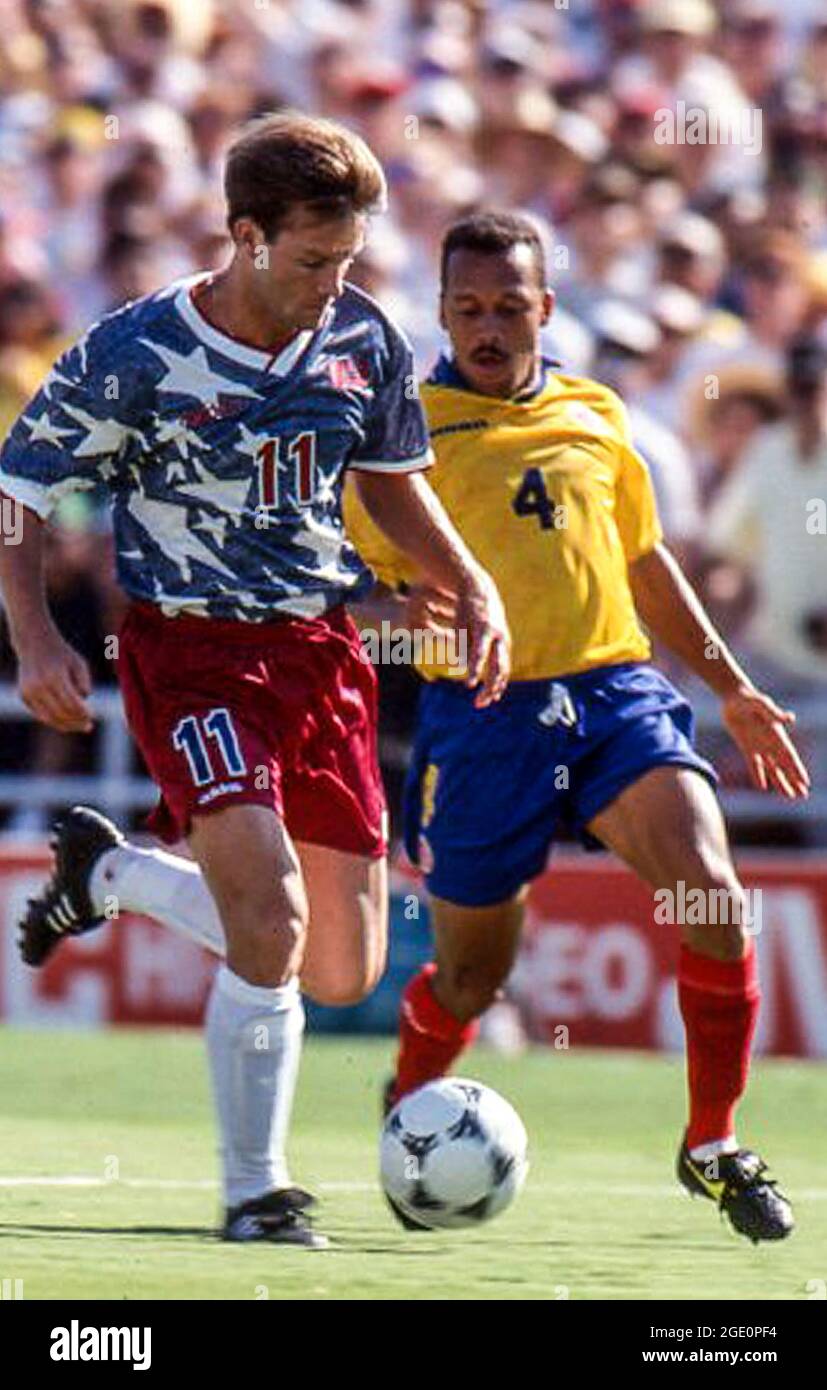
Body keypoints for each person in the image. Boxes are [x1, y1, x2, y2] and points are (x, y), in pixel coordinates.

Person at [0, 113, 509, 1250]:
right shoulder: (136, 350)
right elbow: (17, 489)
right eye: (315, 258)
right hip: (191, 657)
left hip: (321, 657)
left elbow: (387, 484)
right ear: (245, 235)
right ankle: (255, 1190)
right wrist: (35, 635)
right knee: (268, 915)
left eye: (351, 258)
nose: (336, 282)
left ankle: (114, 874)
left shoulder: (364, 338)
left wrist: (466, 579)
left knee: (338, 969)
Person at [344, 210, 810, 1242]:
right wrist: (389, 617)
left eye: (508, 306)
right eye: (467, 307)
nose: (488, 326)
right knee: (471, 978)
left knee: (714, 899)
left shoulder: (598, 413)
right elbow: (341, 597)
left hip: (610, 696)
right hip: (479, 722)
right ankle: (408, 1101)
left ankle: (710, 1145)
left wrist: (727, 685)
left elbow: (643, 560)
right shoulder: (396, 439)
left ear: (545, 309)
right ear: (441, 312)